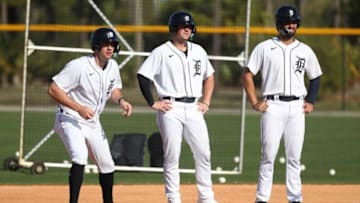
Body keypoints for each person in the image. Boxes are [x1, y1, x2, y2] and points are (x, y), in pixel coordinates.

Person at [242, 5, 323, 203]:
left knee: (294, 157)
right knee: (268, 156)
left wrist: (310, 101)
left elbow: (316, 76)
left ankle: (295, 198)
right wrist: (254, 101)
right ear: (279, 24)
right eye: (288, 22)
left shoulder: (304, 50)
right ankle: (262, 198)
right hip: (273, 106)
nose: (291, 25)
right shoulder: (264, 47)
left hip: (296, 107)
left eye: (294, 22)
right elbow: (247, 74)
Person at [137, 11, 217, 203]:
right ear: (174, 29)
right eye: (183, 26)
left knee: (204, 153)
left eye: (190, 27)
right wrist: (152, 102)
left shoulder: (199, 51)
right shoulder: (162, 51)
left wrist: (206, 100)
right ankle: (173, 198)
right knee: (172, 154)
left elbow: (210, 76)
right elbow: (142, 75)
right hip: (170, 107)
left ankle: (206, 197)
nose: (187, 29)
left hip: (194, 108)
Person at [48, 27, 132, 203]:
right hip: (70, 118)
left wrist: (121, 101)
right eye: (105, 44)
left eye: (113, 44)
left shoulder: (113, 67)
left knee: (107, 164)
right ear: (96, 46)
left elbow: (114, 89)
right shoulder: (79, 66)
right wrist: (78, 107)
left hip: (93, 122)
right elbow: (54, 89)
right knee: (80, 156)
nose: (109, 48)